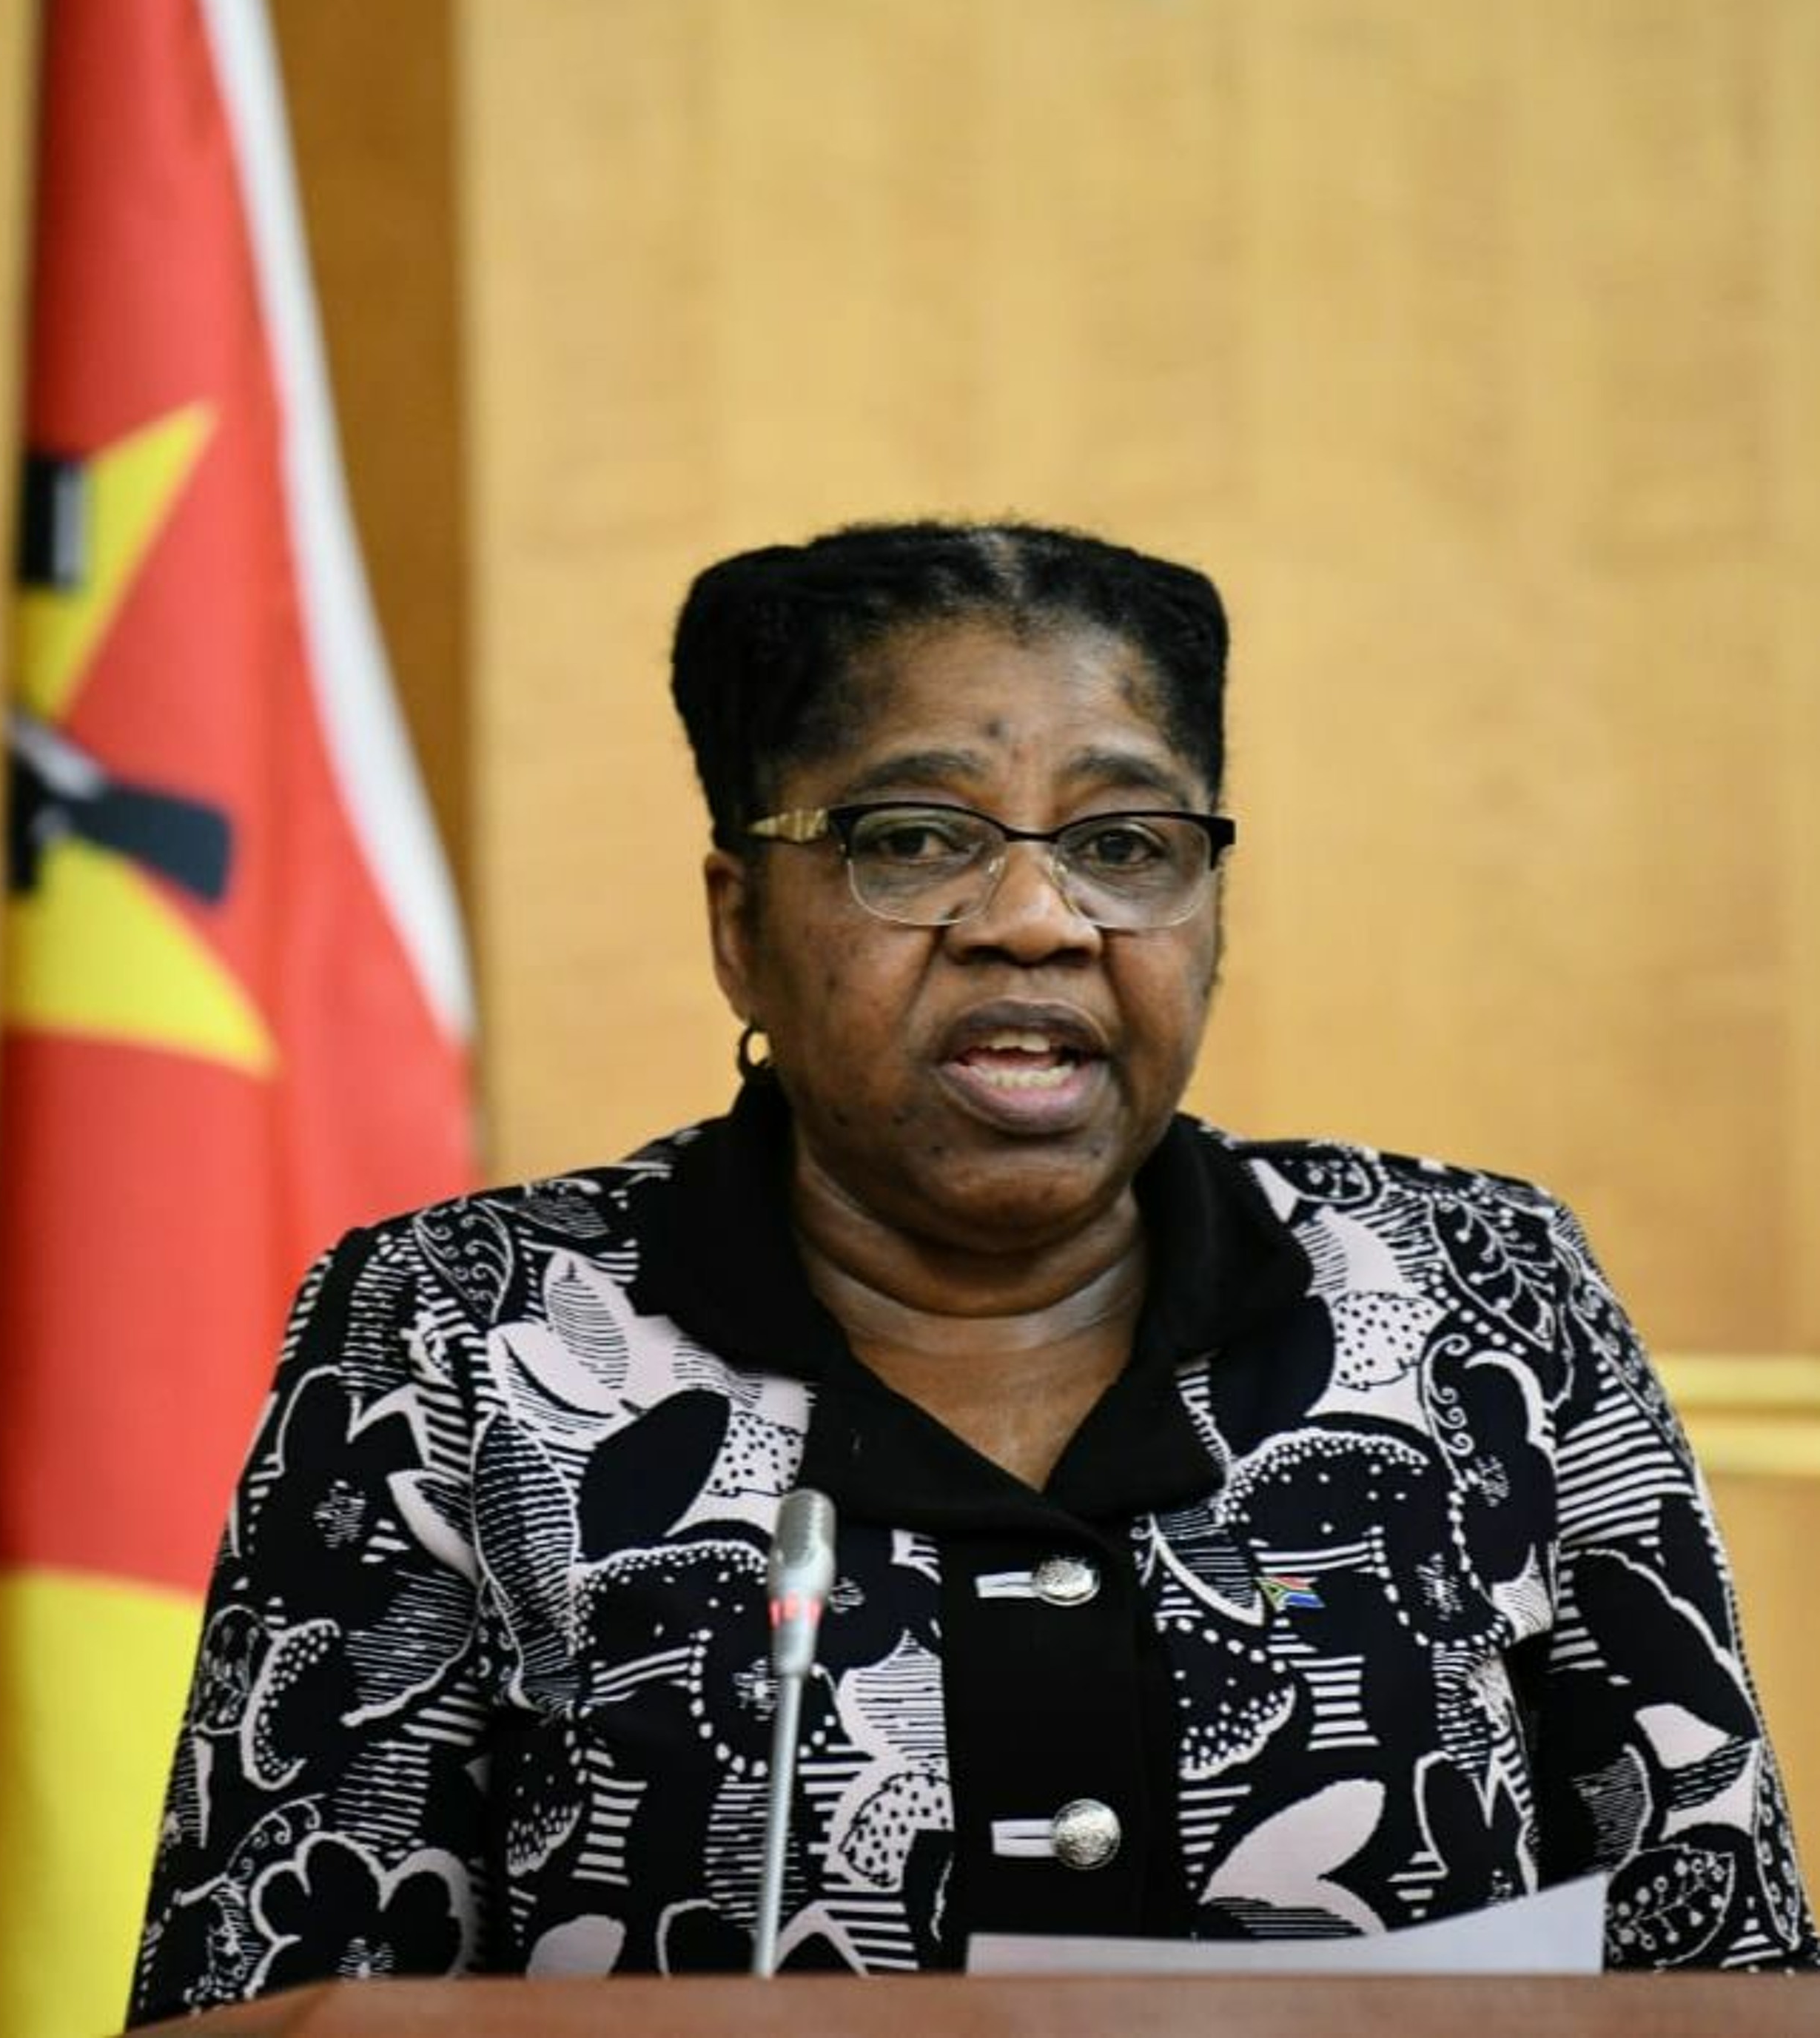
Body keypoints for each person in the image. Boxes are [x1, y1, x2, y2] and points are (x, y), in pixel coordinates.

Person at [127, 520, 1816, 2016]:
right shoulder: (465, 1333)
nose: (1038, 919)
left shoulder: (1471, 1293)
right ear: (742, 926)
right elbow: (271, 1984)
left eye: (1125, 845)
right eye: (918, 840)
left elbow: (1721, 1955)